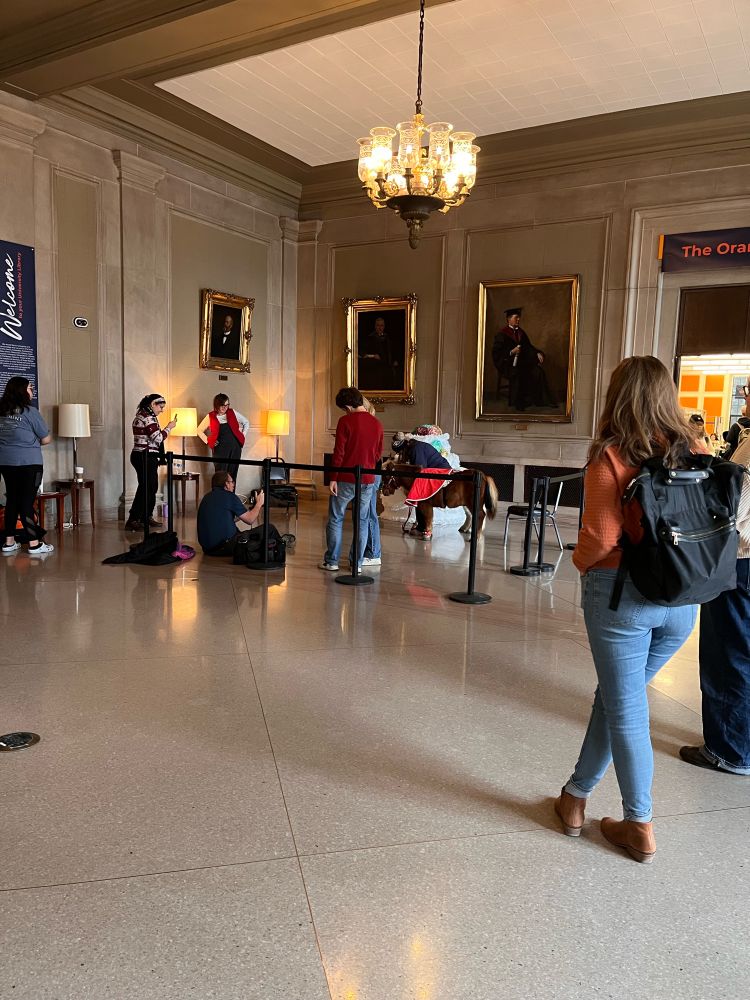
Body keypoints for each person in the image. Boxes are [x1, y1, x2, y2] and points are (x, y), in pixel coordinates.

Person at [554, 356, 698, 864]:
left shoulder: (610, 455)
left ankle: (639, 823)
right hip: (682, 601)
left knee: (627, 708)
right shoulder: (694, 449)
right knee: (617, 698)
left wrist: (580, 563)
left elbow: (599, 538)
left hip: (622, 598)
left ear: (618, 395)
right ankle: (574, 798)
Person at [680, 431, 750, 775]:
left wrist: (707, 463)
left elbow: (734, 507)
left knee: (728, 654)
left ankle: (729, 750)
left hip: (741, 561)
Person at [320, 387, 383, 572]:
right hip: (368, 479)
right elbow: (378, 454)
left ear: (348, 406)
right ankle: (357, 563)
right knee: (362, 521)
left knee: (336, 518)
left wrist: (333, 478)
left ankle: (332, 561)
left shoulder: (345, 421)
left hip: (346, 478)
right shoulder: (377, 423)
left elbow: (339, 452)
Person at [0, 376, 53, 556]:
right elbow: (46, 439)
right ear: (23, 391)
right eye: (30, 388)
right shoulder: (30, 412)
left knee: (12, 500)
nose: (32, 391)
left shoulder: (1, 412)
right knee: (27, 501)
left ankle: (9, 542)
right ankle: (34, 544)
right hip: (30, 463)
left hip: (6, 462)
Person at [125, 393, 176, 531]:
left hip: (145, 456)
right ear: (153, 404)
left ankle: (145, 517)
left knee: (150, 487)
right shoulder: (147, 417)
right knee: (146, 487)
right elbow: (158, 438)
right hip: (144, 456)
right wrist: (169, 427)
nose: (162, 410)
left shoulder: (146, 416)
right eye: (160, 407)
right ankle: (134, 519)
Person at [391, 431, 452, 539]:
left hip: (440, 471)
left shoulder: (415, 449)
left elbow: (420, 469)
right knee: (417, 495)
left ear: (403, 447)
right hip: (431, 471)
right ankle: (420, 525)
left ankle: (424, 528)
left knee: (420, 496)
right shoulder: (412, 447)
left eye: (400, 451)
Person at [491, 307, 554, 411]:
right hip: (508, 364)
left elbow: (528, 347)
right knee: (518, 373)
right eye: (516, 318)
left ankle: (542, 400)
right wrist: (511, 352)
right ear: (509, 319)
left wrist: (537, 353)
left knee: (538, 372)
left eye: (519, 318)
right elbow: (496, 353)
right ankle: (519, 403)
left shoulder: (521, 333)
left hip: (522, 363)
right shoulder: (502, 334)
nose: (518, 320)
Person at [196, 470, 265, 556]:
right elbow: (250, 520)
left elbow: (218, 520)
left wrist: (241, 515)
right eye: (232, 482)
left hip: (208, 549)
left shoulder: (206, 497)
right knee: (269, 529)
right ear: (226, 484)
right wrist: (259, 503)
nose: (233, 484)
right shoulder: (230, 496)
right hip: (225, 547)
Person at [197, 394, 249, 480]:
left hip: (235, 448)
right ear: (216, 405)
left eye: (227, 405)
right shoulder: (210, 416)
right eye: (222, 405)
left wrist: (242, 435)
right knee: (220, 475)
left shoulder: (233, 412)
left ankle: (231, 493)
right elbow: (199, 430)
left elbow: (246, 422)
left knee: (233, 474)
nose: (225, 408)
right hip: (220, 450)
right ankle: (219, 493)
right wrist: (209, 441)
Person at [358, 316, 401, 391]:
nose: (380, 327)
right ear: (375, 326)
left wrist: (395, 360)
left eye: (381, 325)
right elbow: (362, 353)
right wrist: (373, 356)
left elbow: (393, 352)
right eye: (378, 325)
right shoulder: (369, 338)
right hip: (375, 368)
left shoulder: (388, 338)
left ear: (384, 326)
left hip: (388, 367)